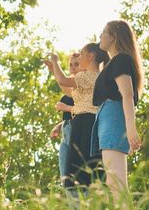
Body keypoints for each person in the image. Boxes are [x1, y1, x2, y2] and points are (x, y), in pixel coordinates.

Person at [91, 20, 143, 200]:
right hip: (106, 119)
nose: (100, 36)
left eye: (103, 32)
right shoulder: (112, 63)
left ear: (113, 37)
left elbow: (127, 95)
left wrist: (131, 129)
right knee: (112, 184)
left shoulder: (121, 60)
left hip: (114, 118)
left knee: (117, 184)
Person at [47, 43, 110, 192]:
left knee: (78, 170)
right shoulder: (96, 77)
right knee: (85, 168)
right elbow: (70, 92)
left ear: (90, 56)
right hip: (85, 123)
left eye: (82, 54)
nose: (79, 56)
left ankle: (82, 206)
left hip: (85, 123)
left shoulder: (88, 76)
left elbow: (64, 82)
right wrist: (55, 70)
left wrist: (56, 61)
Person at [47, 54, 80, 184]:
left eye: (76, 64)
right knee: (64, 175)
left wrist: (65, 107)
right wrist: (60, 125)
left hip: (77, 131)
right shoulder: (70, 85)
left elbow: (83, 110)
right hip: (66, 131)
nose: (73, 68)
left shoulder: (82, 84)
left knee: (73, 175)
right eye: (71, 65)